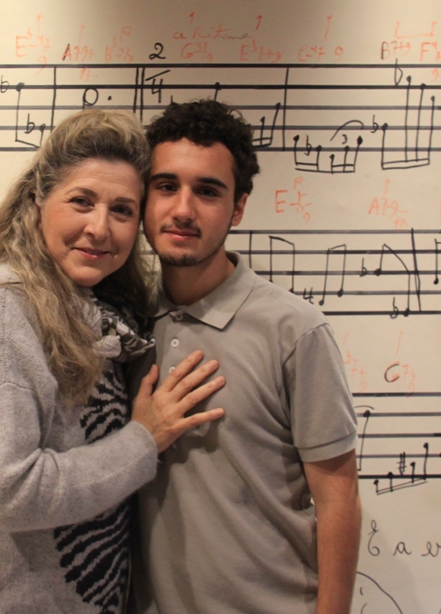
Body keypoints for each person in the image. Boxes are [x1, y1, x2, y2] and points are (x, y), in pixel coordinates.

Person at [0, 108, 226, 614]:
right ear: (38, 201)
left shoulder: (99, 308)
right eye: (81, 201)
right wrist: (144, 440)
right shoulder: (3, 303)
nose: (99, 228)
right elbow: (12, 493)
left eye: (122, 210)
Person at [132, 100, 361, 614]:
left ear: (237, 208)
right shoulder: (122, 324)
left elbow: (338, 497)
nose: (183, 209)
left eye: (207, 191)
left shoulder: (294, 330)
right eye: (166, 186)